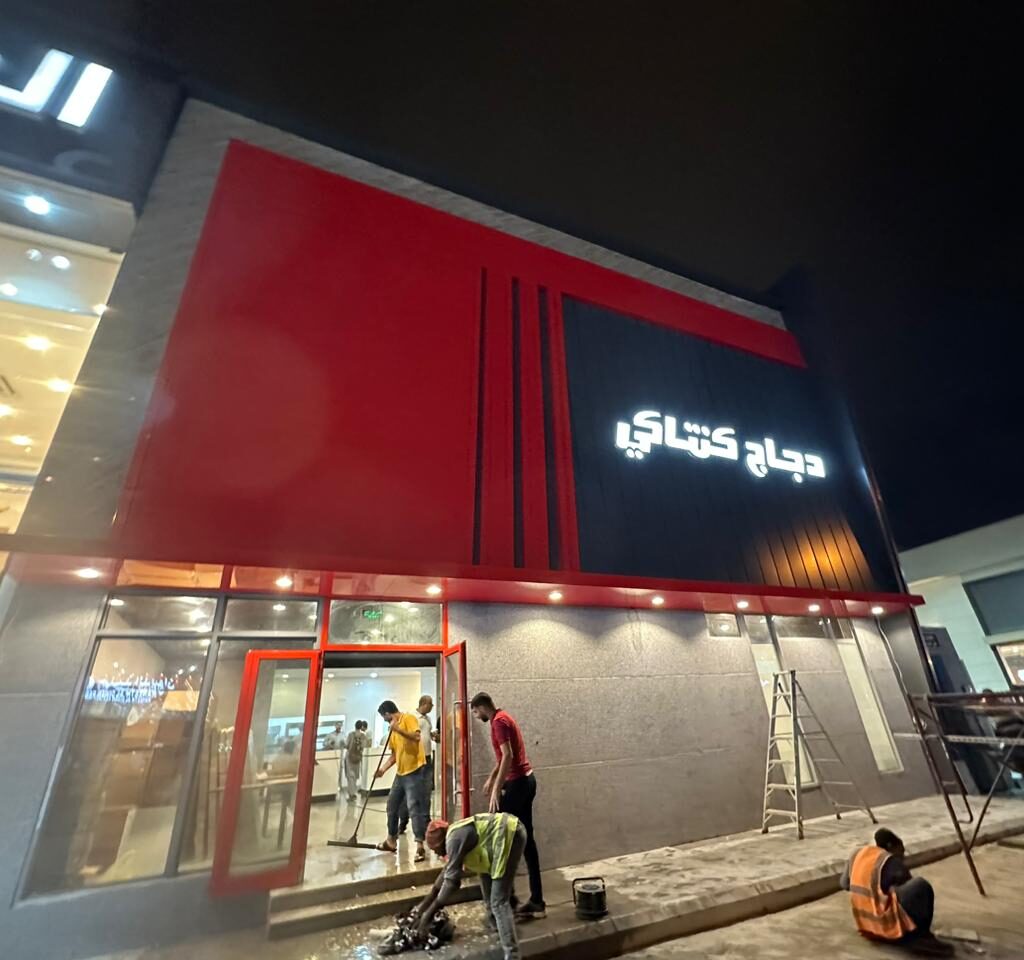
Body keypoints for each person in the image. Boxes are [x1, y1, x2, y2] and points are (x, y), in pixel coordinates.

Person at [470, 692, 545, 919]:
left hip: (518, 784)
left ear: (482, 707)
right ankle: (536, 900)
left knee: (500, 838)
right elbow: (503, 758)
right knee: (526, 841)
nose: (476, 716)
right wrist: (493, 777)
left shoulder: (498, 723)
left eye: (475, 712)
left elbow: (508, 755)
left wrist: (496, 788)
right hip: (525, 780)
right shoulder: (503, 717)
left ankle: (505, 900)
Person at [416, 814, 526, 960]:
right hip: (496, 844)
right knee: (488, 898)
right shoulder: (453, 837)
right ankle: (500, 931)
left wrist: (429, 913)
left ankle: (513, 954)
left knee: (498, 902)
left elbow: (452, 882)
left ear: (439, 843)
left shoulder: (453, 840)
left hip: (509, 834)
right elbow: (447, 872)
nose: (436, 854)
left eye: (435, 850)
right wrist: (422, 907)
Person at [840, 828, 952, 955]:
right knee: (921, 886)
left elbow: (845, 884)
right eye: (901, 851)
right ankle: (921, 936)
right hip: (885, 923)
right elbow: (911, 890)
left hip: (866, 925)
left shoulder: (857, 854)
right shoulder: (889, 860)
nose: (903, 857)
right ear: (890, 846)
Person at [374, 700, 430, 861]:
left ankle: (420, 846)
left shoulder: (408, 718)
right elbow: (395, 755)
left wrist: (398, 729)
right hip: (401, 774)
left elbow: (416, 737)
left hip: (415, 771)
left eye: (384, 718)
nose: (385, 721)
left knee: (414, 807)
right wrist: (383, 769)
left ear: (387, 714)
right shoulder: (392, 730)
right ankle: (391, 841)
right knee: (391, 806)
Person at [398, 694, 440, 832]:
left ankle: (426, 820)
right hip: (415, 759)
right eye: (431, 704)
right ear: (424, 704)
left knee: (426, 791)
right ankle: (403, 820)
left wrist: (433, 736)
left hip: (427, 758)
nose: (432, 707)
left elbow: (426, 735)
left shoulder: (427, 719)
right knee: (410, 792)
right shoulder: (413, 717)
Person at [342, 720, 368, 803]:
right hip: (358, 757)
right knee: (355, 775)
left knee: (350, 776)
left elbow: (347, 745)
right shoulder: (363, 736)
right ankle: (354, 792)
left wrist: (343, 744)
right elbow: (364, 746)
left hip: (349, 757)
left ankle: (351, 794)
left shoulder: (351, 734)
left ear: (355, 726)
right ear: (361, 727)